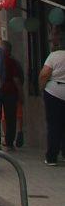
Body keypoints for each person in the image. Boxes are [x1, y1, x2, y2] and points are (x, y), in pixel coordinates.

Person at [38, 38, 65, 166]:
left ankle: (52, 156)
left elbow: (45, 74)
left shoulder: (54, 56)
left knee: (54, 124)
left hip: (54, 92)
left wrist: (41, 88)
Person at [0, 40, 24, 150]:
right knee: (10, 118)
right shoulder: (13, 62)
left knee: (0, 117)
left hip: (1, 91)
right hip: (10, 92)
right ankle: (9, 142)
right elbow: (17, 79)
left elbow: (16, 79)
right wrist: (21, 93)